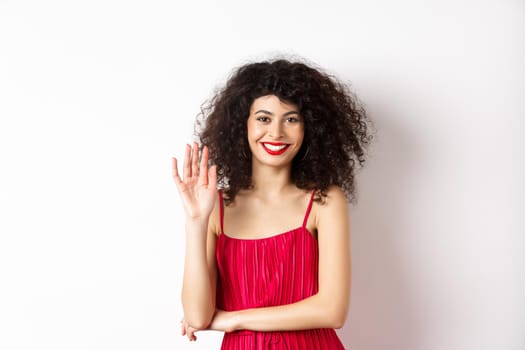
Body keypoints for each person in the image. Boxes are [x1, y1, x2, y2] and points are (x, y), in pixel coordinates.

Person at [172, 58, 373, 349]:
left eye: (291, 119)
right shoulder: (215, 206)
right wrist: (195, 220)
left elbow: (332, 311)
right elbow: (198, 316)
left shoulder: (324, 201)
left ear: (309, 129)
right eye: (264, 118)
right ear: (243, 125)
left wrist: (235, 319)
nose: (276, 132)